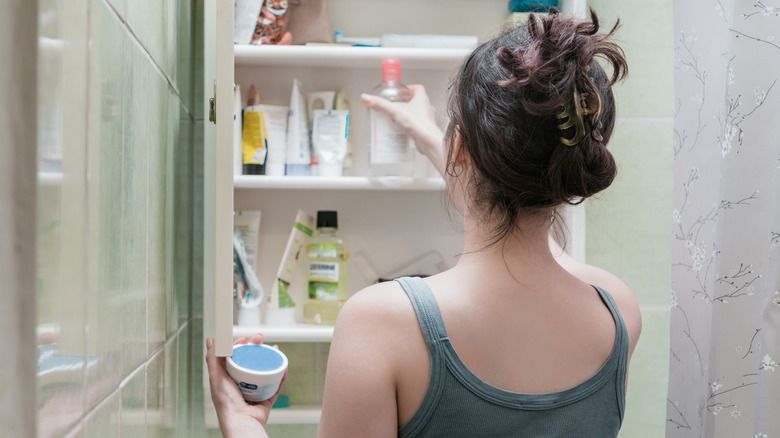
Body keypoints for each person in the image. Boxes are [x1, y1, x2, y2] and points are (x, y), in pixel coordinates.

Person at [206, 7, 642, 437]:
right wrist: (441, 141)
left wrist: (243, 426)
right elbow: (528, 206)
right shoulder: (616, 310)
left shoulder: (382, 324)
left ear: (460, 153)